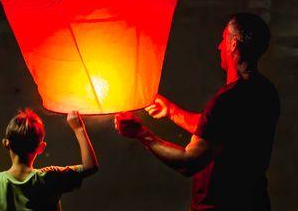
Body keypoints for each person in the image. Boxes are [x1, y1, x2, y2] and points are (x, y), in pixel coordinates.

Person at [115, 13, 280, 210]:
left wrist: (142, 134)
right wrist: (171, 111)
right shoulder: (265, 92)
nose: (219, 46)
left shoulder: (227, 100)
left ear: (233, 44)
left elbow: (189, 162)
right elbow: (219, 132)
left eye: (222, 39)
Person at [0, 108, 98, 211]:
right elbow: (90, 167)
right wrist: (78, 129)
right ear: (41, 148)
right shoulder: (50, 177)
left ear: (6, 143)